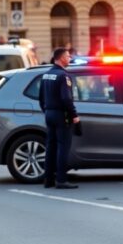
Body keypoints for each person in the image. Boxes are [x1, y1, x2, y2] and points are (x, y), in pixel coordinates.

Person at [39, 48, 80, 189]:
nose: (69, 59)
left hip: (49, 114)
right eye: (68, 56)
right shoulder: (63, 76)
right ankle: (61, 180)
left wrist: (47, 111)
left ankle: (48, 180)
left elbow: (41, 98)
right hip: (61, 115)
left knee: (51, 147)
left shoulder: (46, 75)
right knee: (63, 147)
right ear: (61, 58)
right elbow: (66, 99)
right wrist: (74, 115)